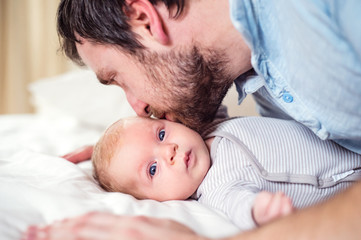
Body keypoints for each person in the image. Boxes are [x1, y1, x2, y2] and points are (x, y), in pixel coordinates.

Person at [33, 0, 360, 239]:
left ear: (145, 18)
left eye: (120, 79)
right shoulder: (255, 76)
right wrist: (123, 153)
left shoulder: (323, 15)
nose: (137, 107)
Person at [90, 116, 360, 230]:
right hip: (347, 178)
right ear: (154, 200)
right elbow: (238, 206)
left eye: (161, 134)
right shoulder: (216, 189)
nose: (169, 150)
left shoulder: (209, 127)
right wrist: (259, 210)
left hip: (343, 137)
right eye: (153, 169)